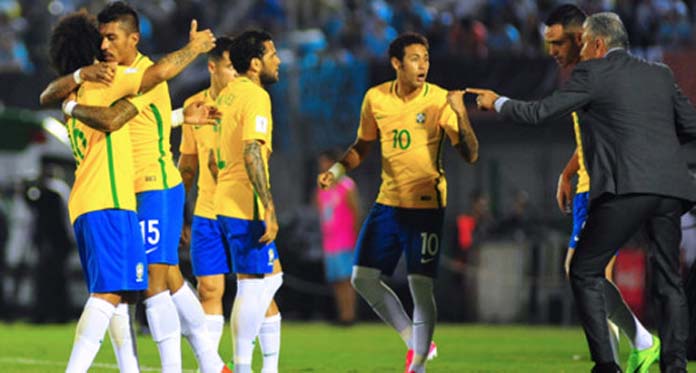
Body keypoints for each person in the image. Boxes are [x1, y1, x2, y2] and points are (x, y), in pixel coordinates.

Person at [469, 12, 696, 373]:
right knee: (669, 280)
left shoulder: (592, 73)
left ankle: (607, 365)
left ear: (597, 43)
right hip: (669, 187)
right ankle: (675, 366)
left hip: (624, 187)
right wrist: (654, 149)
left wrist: (496, 101)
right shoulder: (660, 74)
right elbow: (689, 126)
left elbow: (540, 113)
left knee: (584, 271)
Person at [42, 11, 211, 372]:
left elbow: (140, 108)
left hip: (116, 194)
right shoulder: (108, 81)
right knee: (127, 291)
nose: (105, 46)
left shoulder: (82, 87)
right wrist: (194, 49)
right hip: (113, 199)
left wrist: (180, 116)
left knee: (138, 288)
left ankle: (190, 365)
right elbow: (119, 115)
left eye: (111, 38)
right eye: (100, 40)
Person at [317, 32, 479, 373]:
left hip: (426, 207)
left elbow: (470, 154)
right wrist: (336, 169)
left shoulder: (438, 100)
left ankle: (417, 365)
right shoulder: (375, 98)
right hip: (388, 203)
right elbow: (362, 146)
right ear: (396, 63)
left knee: (420, 287)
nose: (423, 65)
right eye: (416, 59)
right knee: (361, 278)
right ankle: (414, 341)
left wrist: (461, 114)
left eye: (426, 58)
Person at [545, 5, 658, 370]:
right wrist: (567, 172)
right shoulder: (585, 76)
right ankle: (624, 352)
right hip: (586, 185)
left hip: (601, 186)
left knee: (583, 273)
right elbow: (589, 139)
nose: (552, 51)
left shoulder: (599, 76)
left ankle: (633, 344)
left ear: (581, 39)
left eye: (558, 43)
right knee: (586, 276)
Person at [214, 30, 284, 373]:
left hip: (225, 198)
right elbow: (252, 150)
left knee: (266, 284)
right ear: (255, 64)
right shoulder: (256, 97)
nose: (279, 61)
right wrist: (268, 206)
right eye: (273, 55)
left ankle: (266, 368)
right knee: (255, 285)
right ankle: (241, 365)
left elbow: (216, 157)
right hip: (246, 203)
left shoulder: (227, 95)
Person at [178, 36, 236, 355]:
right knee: (209, 289)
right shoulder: (194, 107)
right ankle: (210, 365)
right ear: (212, 67)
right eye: (230, 67)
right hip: (206, 212)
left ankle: (261, 364)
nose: (235, 75)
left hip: (242, 210)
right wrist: (178, 214)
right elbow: (187, 166)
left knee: (259, 290)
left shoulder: (249, 101)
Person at [316, 149, 360, 325]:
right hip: (330, 241)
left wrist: (356, 237)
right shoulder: (323, 188)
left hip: (345, 239)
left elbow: (356, 211)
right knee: (335, 281)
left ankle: (350, 315)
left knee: (346, 280)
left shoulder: (346, 186)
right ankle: (342, 314)